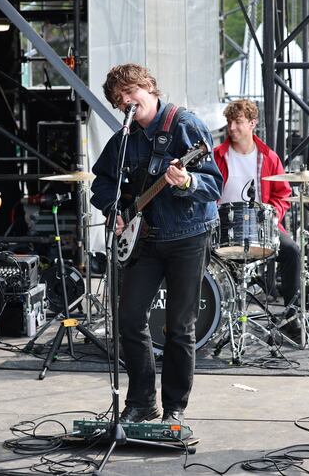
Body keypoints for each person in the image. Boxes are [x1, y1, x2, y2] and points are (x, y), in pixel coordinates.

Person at [90, 63, 223, 425]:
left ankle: (175, 407)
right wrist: (115, 209)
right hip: (145, 240)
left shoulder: (185, 125)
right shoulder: (125, 138)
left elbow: (214, 184)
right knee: (129, 319)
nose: (126, 101)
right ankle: (141, 402)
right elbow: (101, 182)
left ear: (149, 87)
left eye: (131, 91)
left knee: (179, 327)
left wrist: (186, 182)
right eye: (119, 98)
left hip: (187, 236)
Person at [213, 99, 302, 311]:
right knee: (195, 252)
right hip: (222, 229)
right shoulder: (216, 156)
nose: (231, 127)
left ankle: (292, 314)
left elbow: (283, 194)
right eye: (229, 122)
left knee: (292, 251)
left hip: (262, 228)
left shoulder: (269, 157)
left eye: (238, 122)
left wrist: (273, 215)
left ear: (252, 123)